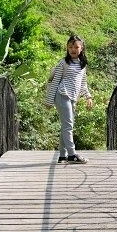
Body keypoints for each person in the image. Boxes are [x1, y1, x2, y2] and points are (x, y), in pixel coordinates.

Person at [45, 35, 94, 164]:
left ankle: (62, 156)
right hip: (62, 95)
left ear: (82, 48)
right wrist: (49, 100)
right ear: (67, 48)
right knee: (68, 126)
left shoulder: (82, 64)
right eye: (70, 47)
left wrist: (88, 96)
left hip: (73, 97)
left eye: (76, 47)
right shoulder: (63, 63)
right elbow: (55, 82)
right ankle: (72, 155)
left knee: (66, 127)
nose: (73, 49)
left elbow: (83, 83)